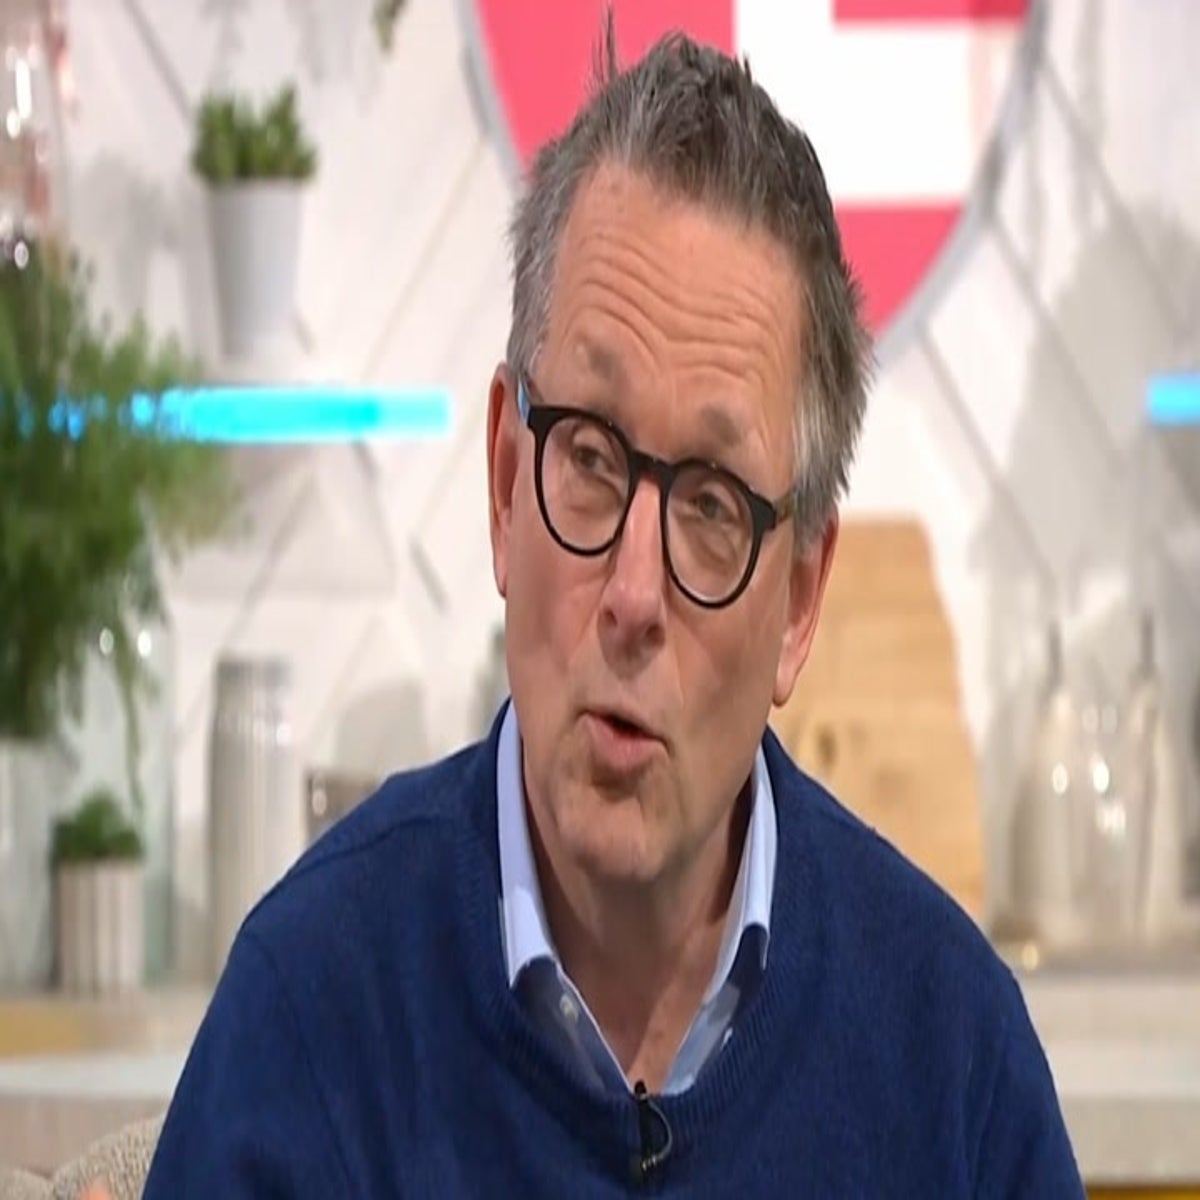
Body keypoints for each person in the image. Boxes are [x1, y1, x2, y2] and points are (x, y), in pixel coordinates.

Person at [138, 22, 1085, 1199]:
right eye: (588, 457)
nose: (634, 596)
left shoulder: (954, 1060)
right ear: (503, 482)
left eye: (712, 506)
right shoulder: (312, 1007)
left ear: (800, 603)